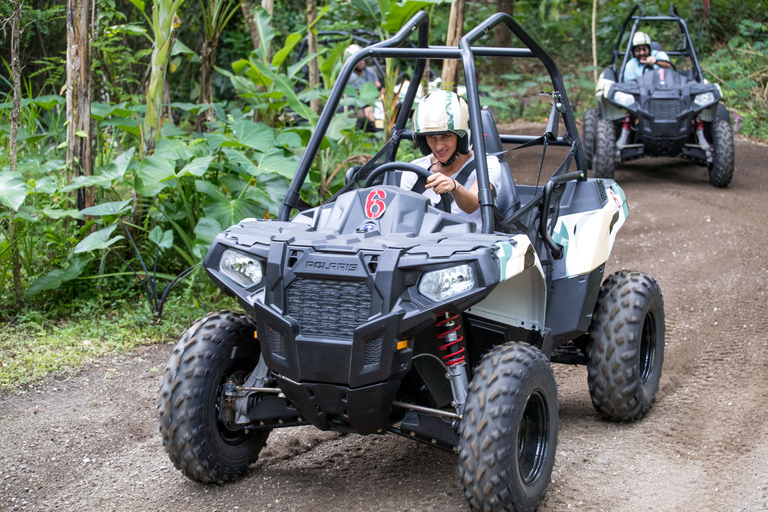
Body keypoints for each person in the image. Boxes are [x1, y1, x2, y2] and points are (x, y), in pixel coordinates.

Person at [399, 91, 502, 229]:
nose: (439, 146)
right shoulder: (414, 170)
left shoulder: (486, 165)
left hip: (474, 244)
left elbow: (472, 205)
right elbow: (406, 218)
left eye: (446, 136)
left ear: (461, 137)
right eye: (431, 137)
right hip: (425, 244)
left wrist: (455, 187)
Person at [344, 44, 382, 131]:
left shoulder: (370, 71)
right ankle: (377, 131)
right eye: (359, 60)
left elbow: (379, 87)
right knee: (369, 109)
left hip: (373, 101)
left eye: (363, 59)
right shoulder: (350, 77)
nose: (362, 62)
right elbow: (359, 95)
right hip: (355, 106)